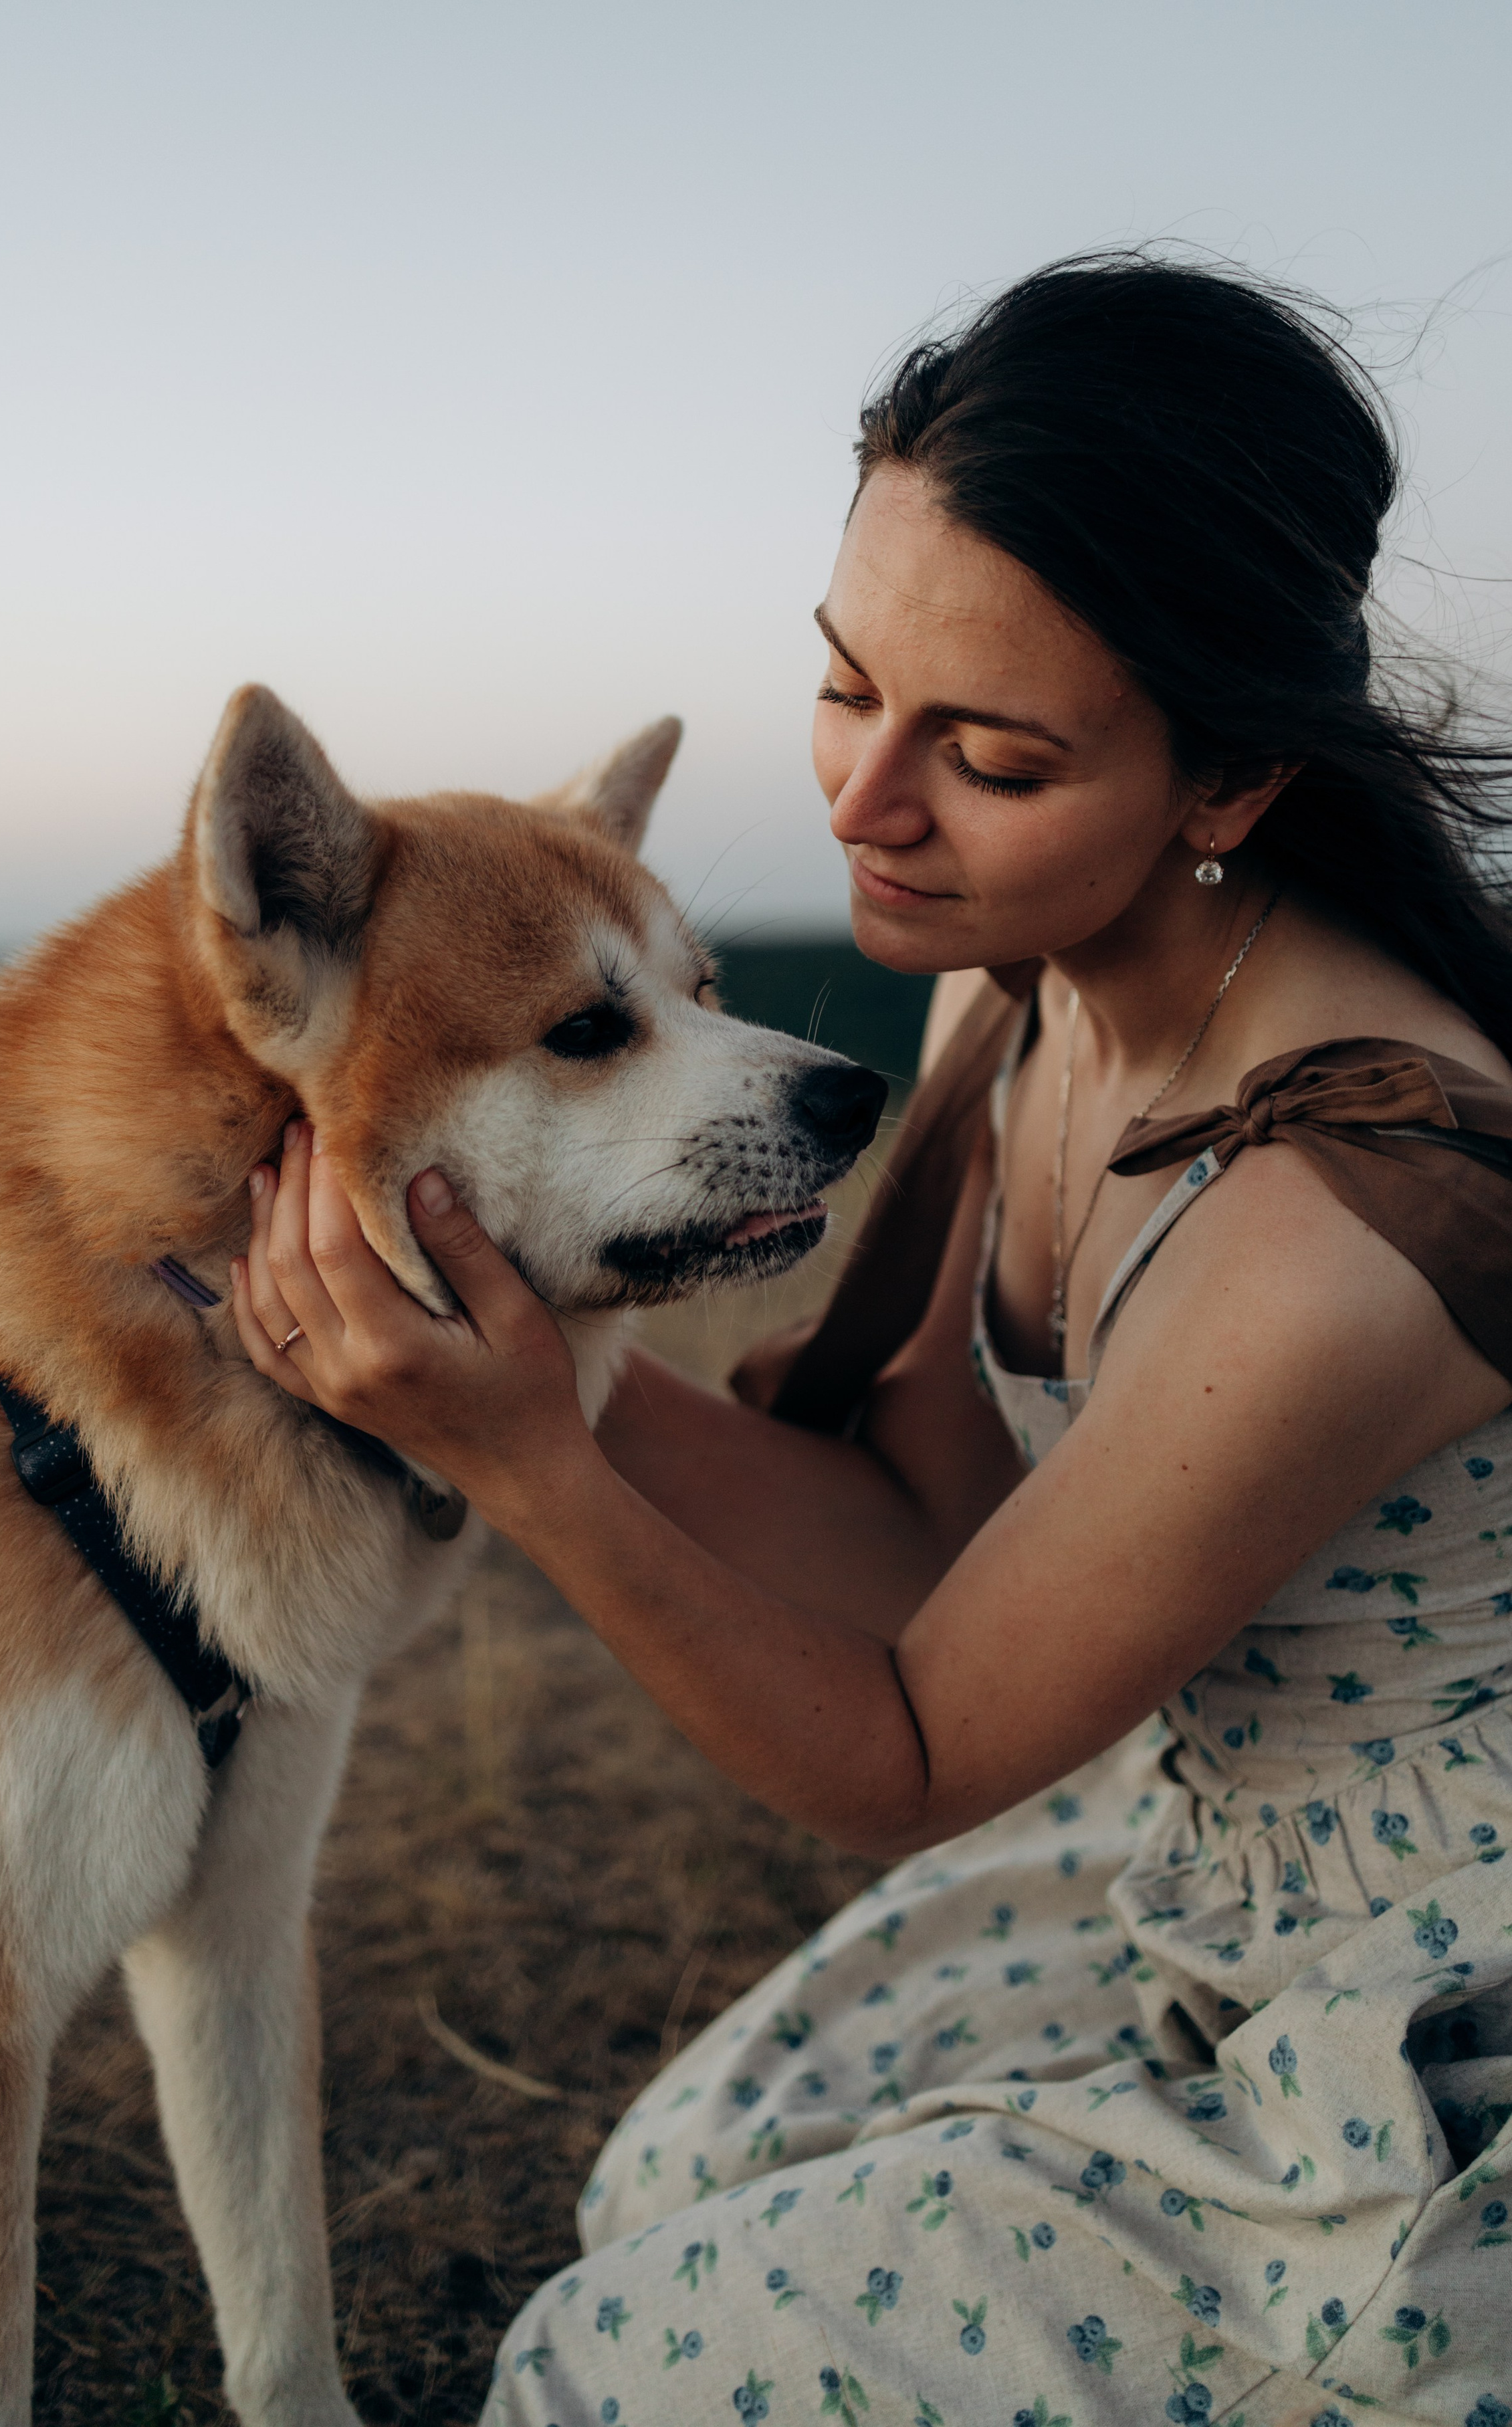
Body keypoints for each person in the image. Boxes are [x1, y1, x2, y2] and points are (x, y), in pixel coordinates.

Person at [232, 255, 1512, 2426]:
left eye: (988, 754)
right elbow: (923, 1534)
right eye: (848, 687)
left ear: (1226, 784)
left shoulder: (1346, 1215)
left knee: (595, 2376)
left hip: (1432, 2000)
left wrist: (525, 1459)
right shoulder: (1021, 998)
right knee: (664, 2182)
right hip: (1206, 1873)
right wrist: (509, 1320)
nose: (863, 800)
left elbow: (908, 1757)